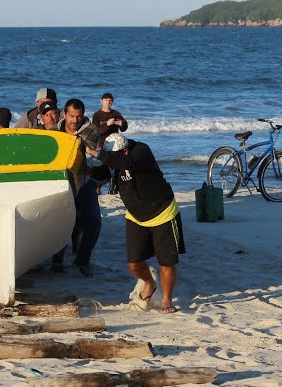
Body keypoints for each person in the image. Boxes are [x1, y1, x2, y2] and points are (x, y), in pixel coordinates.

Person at [87, 133, 184, 313]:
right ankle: (149, 282)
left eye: (116, 155)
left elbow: (126, 163)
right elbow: (100, 174)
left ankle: (167, 300)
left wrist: (94, 153)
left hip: (163, 212)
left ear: (124, 150)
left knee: (167, 262)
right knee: (134, 263)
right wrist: (85, 166)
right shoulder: (115, 162)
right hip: (136, 216)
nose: (114, 159)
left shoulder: (141, 151)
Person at [52, 98, 103, 277]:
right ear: (64, 114)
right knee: (57, 224)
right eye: (72, 116)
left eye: (79, 116)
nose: (75, 120)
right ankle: (56, 262)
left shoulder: (92, 130)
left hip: (84, 183)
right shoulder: (52, 131)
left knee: (93, 222)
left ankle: (82, 260)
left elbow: (84, 154)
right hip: (59, 185)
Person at [90, 93, 128, 194]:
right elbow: (95, 131)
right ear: (101, 101)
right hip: (102, 144)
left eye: (110, 100)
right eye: (106, 100)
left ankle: (113, 189)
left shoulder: (116, 114)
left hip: (116, 145)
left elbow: (124, 128)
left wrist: (121, 124)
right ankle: (98, 187)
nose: (108, 102)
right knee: (105, 167)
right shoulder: (97, 115)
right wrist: (107, 124)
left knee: (116, 166)